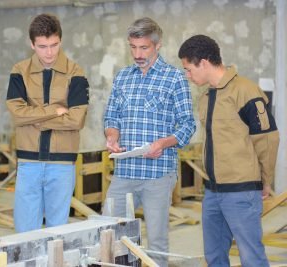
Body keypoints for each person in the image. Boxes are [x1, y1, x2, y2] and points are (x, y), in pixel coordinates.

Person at [178, 34, 279, 267]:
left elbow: (267, 140)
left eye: (188, 69)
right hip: (213, 192)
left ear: (203, 62)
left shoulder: (245, 91)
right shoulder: (206, 96)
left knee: (251, 257)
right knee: (213, 256)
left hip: (241, 192)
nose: (187, 75)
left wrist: (265, 180)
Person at [103, 17, 196, 266]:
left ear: (157, 45)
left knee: (156, 244)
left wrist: (163, 143)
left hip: (158, 174)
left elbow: (187, 125)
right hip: (124, 172)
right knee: (109, 237)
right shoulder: (123, 77)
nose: (137, 53)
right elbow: (112, 117)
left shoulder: (174, 78)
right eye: (133, 47)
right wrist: (112, 136)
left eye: (143, 48)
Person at [6, 14, 89, 232]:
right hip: (28, 163)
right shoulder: (19, 72)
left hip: (62, 166)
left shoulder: (76, 72)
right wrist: (54, 111)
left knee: (57, 234)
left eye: (54, 45)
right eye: (42, 46)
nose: (49, 53)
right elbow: (17, 114)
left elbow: (76, 119)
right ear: (31, 44)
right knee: (25, 234)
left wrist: (36, 120)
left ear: (60, 40)